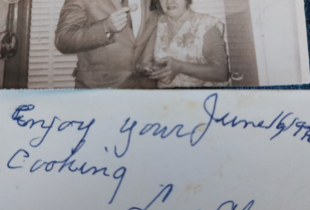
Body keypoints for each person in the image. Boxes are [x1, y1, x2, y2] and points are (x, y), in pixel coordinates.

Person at [55, 0, 159, 89]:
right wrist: (105, 27)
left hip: (145, 91)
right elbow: (63, 40)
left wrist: (174, 62)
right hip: (99, 91)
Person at [150, 0, 229, 87]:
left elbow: (221, 72)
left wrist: (181, 67)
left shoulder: (206, 24)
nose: (169, 2)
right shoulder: (154, 24)